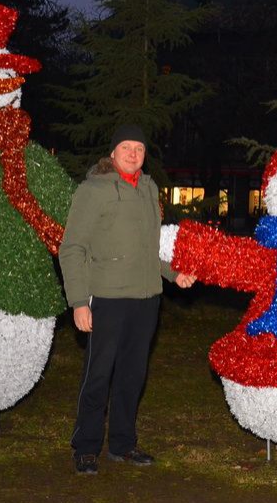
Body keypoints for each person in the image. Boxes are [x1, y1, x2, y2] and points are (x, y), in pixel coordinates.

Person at [58, 124, 195, 476]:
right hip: (106, 298)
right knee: (98, 374)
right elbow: (72, 248)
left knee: (133, 375)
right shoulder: (94, 190)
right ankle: (86, 446)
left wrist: (173, 273)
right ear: (113, 152)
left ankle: (122, 444)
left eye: (139, 148)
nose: (133, 154)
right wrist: (79, 301)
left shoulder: (148, 188)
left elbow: (150, 246)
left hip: (146, 298)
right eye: (126, 148)